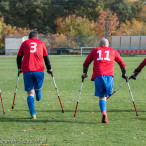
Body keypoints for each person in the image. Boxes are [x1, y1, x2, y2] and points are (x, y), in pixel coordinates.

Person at [82, 38, 128, 123]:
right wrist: (124, 73)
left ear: (99, 45)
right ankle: (104, 111)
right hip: (109, 75)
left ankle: (104, 112)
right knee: (105, 95)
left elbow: (86, 63)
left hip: (98, 75)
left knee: (102, 96)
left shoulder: (95, 50)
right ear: (108, 45)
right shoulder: (113, 51)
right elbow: (122, 63)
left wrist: (85, 73)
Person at [17, 31, 52, 119]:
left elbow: (19, 57)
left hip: (27, 70)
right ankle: (38, 93)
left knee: (30, 92)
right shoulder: (41, 43)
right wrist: (49, 68)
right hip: (39, 70)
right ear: (37, 37)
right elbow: (46, 57)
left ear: (29, 37)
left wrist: (19, 68)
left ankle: (33, 114)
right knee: (37, 88)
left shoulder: (24, 43)